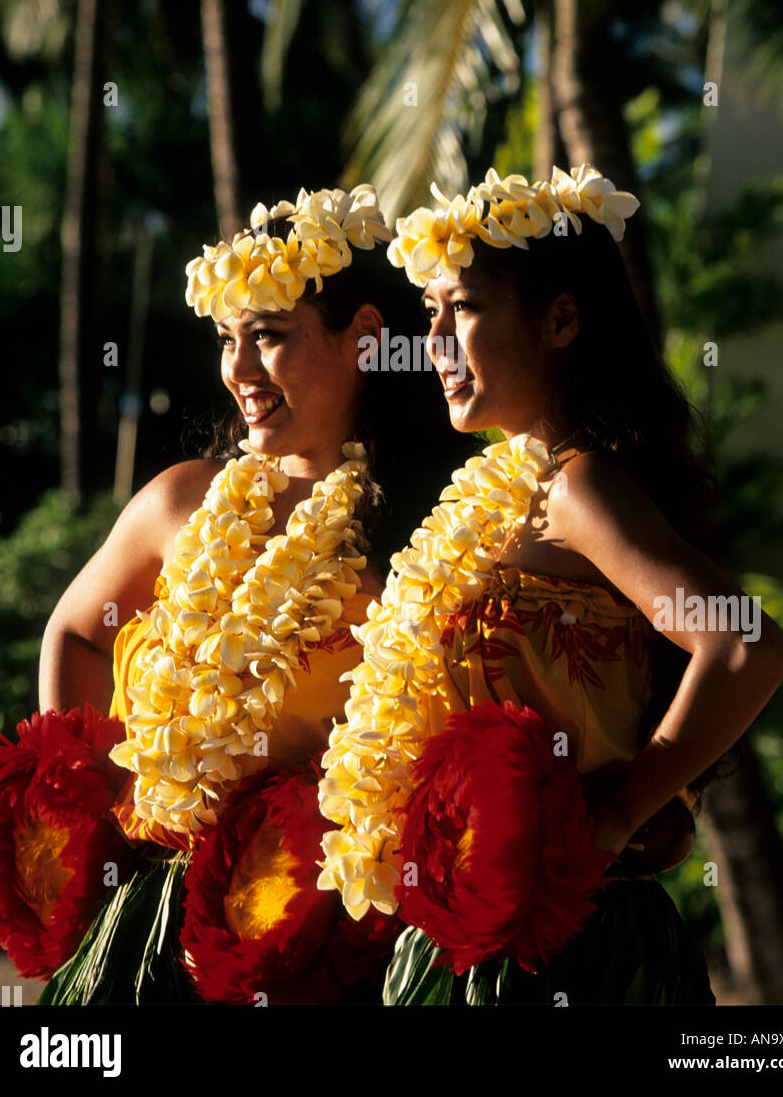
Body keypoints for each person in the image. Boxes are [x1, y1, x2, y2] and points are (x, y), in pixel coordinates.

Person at [316, 166, 783, 1005]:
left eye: (462, 309)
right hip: (470, 933)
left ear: (561, 318)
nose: (434, 341)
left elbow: (745, 645)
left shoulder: (580, 488)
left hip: (564, 946)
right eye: (430, 314)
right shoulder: (503, 493)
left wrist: (617, 816)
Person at [28, 184, 472, 1004]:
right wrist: (88, 803)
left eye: (267, 337)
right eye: (228, 339)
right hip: (144, 920)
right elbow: (76, 634)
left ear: (366, 339)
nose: (237, 371)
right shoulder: (181, 500)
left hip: (314, 942)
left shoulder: (429, 542)